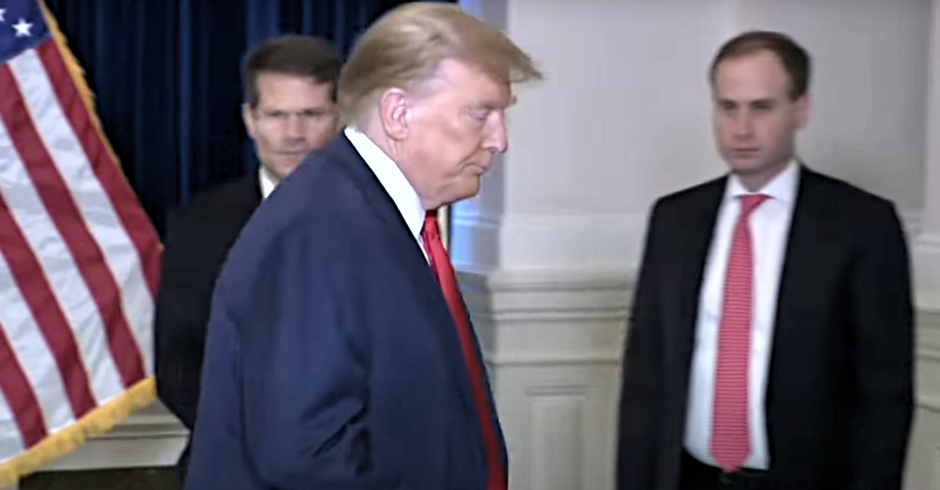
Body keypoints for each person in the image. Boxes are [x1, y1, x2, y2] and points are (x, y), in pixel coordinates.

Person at [182, 3, 542, 489]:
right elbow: (308, 455)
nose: (499, 140)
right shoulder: (319, 228)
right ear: (398, 114)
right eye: (480, 115)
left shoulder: (366, 212)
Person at [616, 30, 914, 490]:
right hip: (689, 476)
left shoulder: (862, 225)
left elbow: (885, 394)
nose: (742, 129)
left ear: (800, 110)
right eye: (728, 107)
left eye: (761, 107)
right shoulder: (675, 220)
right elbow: (646, 379)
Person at [153, 34, 342, 483]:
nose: (293, 134)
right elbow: (178, 363)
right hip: (232, 465)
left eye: (311, 114)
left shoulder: (387, 223)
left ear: (339, 118)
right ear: (250, 119)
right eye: (276, 115)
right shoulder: (199, 225)